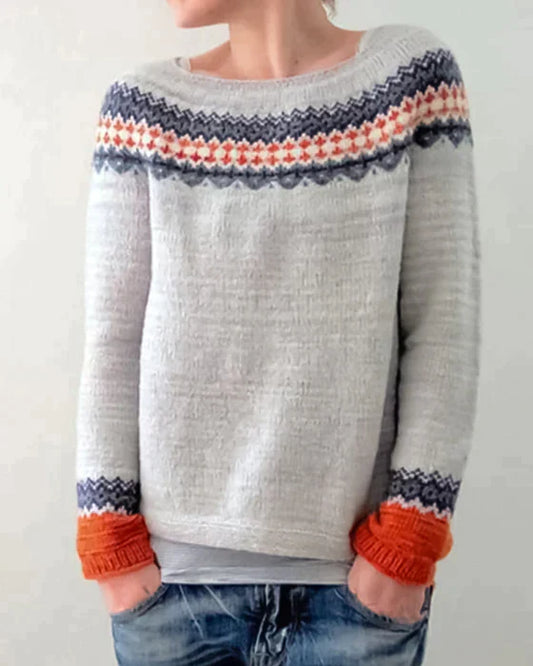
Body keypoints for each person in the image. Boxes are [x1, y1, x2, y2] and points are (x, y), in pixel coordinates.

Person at [75, 1, 481, 664]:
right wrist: (108, 542)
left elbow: (442, 323)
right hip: (171, 592)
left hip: (355, 593)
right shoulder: (142, 106)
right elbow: (113, 337)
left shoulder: (407, 76)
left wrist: (409, 539)